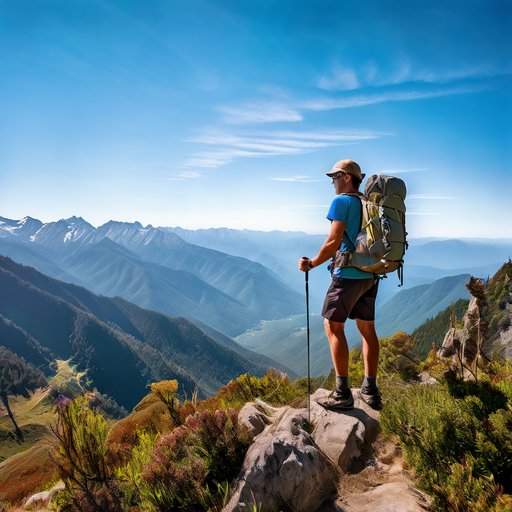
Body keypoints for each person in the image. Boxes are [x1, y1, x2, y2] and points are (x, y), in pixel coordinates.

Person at [297, 159, 382, 410]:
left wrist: (311, 263)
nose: (332, 182)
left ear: (346, 177)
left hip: (348, 275)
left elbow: (333, 241)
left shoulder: (342, 202)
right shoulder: (369, 203)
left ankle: (342, 392)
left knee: (333, 326)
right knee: (367, 329)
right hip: (371, 272)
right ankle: (370, 389)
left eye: (334, 177)